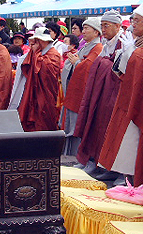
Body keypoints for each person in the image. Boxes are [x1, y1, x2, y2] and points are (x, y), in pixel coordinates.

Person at [98, 2, 143, 186]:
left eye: (137, 21)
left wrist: (131, 54)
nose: (133, 24)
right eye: (133, 20)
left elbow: (136, 75)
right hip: (140, 100)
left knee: (137, 143)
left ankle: (136, 182)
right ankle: (131, 180)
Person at [74, 9, 124, 173]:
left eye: (106, 25)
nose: (103, 29)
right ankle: (91, 160)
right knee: (93, 124)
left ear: (117, 26)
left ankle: (104, 166)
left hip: (113, 94)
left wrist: (102, 64)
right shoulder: (106, 45)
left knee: (107, 129)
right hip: (99, 92)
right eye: (102, 25)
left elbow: (118, 68)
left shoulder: (123, 44)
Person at [60, 17, 102, 155]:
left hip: (82, 94)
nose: (83, 31)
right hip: (74, 92)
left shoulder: (98, 48)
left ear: (96, 32)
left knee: (79, 124)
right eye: (83, 28)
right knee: (71, 122)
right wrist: (76, 63)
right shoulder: (86, 46)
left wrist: (77, 63)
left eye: (86, 28)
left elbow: (89, 68)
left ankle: (77, 154)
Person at [9, 27, 62, 131]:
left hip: (45, 93)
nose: (35, 43)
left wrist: (35, 54)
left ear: (44, 41)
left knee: (43, 116)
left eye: (37, 40)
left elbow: (46, 70)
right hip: (34, 91)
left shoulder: (53, 54)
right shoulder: (38, 54)